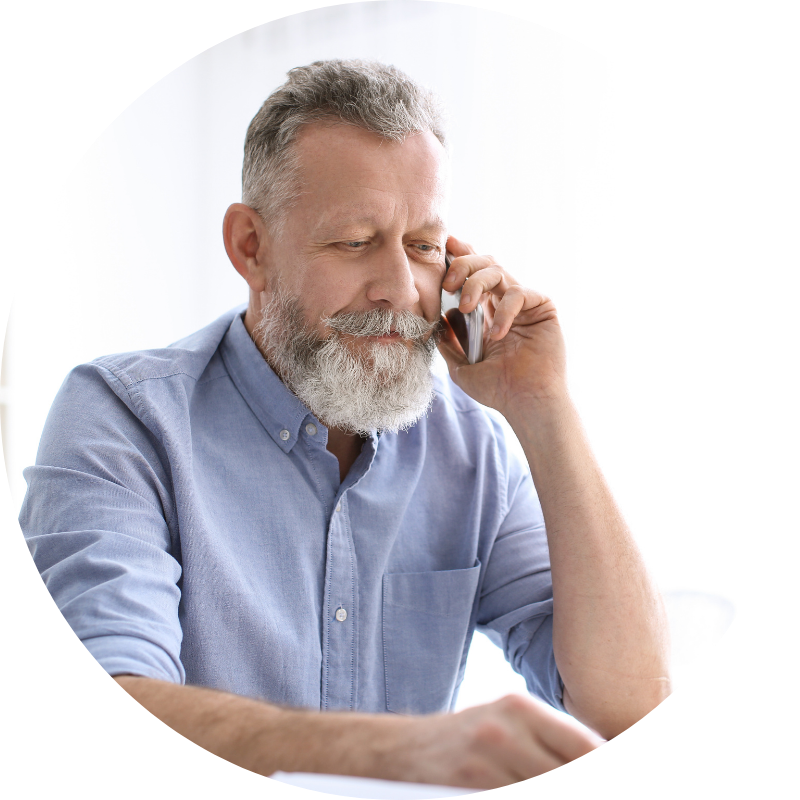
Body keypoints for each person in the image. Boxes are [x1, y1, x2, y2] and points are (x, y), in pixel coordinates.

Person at [20, 60, 670, 788]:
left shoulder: (474, 449)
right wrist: (397, 752)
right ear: (251, 249)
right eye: (356, 240)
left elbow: (628, 703)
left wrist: (543, 406)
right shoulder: (123, 419)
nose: (399, 288)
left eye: (423, 245)